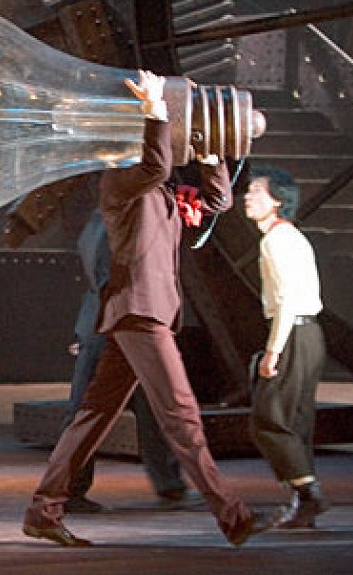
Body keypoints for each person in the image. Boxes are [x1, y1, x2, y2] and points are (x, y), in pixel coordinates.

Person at [22, 70, 269, 547]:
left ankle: (44, 510)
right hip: (139, 312)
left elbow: (218, 200)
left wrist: (209, 152)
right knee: (181, 415)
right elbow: (155, 166)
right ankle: (233, 515)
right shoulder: (120, 184)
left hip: (142, 313)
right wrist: (156, 109)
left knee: (94, 415)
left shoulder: (162, 192)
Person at [62, 208, 201, 514]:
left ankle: (169, 484)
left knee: (147, 406)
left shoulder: (104, 218)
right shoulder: (118, 219)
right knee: (92, 409)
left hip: (112, 322)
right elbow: (107, 276)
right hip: (119, 323)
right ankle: (68, 488)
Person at [243, 166, 329, 528]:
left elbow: (287, 301)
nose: (248, 197)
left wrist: (273, 351)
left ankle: (308, 493)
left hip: (292, 334)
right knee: (295, 422)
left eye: (256, 192)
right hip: (309, 335)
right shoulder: (291, 237)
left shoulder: (276, 240)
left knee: (269, 420)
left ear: (277, 200)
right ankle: (303, 504)